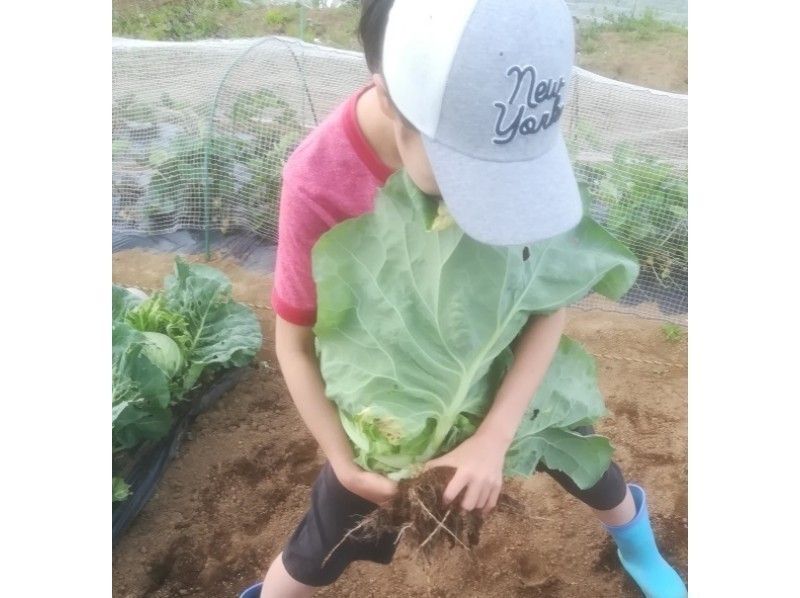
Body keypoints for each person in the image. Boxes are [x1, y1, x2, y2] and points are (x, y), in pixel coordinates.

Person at [241, 1, 687, 596]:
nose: (493, 190)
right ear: (392, 101)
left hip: (497, 362)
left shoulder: (509, 135)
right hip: (390, 405)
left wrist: (497, 434)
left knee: (581, 460)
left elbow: (543, 302)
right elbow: (293, 343)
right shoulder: (320, 181)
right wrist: (342, 459)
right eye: (470, 171)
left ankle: (634, 533)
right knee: (324, 537)